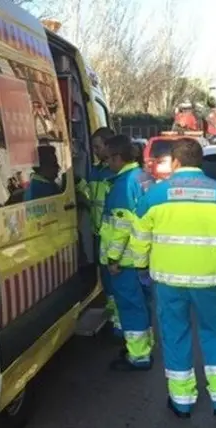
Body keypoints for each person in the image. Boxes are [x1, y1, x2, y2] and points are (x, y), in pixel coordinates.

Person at [129, 138, 216, 419]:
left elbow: (139, 238)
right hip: (211, 280)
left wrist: (140, 268)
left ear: (176, 162)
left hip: (168, 281)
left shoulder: (155, 195)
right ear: (200, 162)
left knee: (175, 335)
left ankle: (181, 402)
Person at [100, 134, 155, 370]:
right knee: (141, 304)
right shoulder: (143, 177)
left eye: (108, 159)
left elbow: (121, 226)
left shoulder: (123, 184)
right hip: (142, 255)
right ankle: (142, 347)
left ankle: (138, 356)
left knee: (130, 307)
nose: (106, 164)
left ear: (118, 157)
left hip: (126, 259)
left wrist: (113, 258)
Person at [81, 127, 122, 335]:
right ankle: (114, 318)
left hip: (113, 236)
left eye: (98, 147)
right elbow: (92, 199)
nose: (95, 151)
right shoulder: (96, 171)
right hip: (99, 234)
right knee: (107, 282)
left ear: (109, 146)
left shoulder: (115, 175)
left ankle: (119, 324)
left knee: (116, 283)